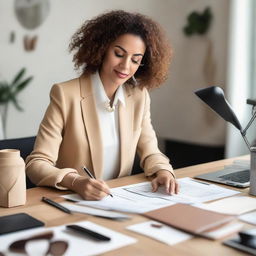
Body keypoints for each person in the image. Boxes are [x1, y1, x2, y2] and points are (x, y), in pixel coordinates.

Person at [26, 10, 179, 200]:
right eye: (118, 54)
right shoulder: (65, 94)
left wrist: (164, 171)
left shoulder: (139, 96)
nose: (125, 66)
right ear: (102, 49)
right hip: (74, 202)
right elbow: (36, 163)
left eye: (135, 60)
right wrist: (75, 181)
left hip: (119, 201)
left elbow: (151, 152)